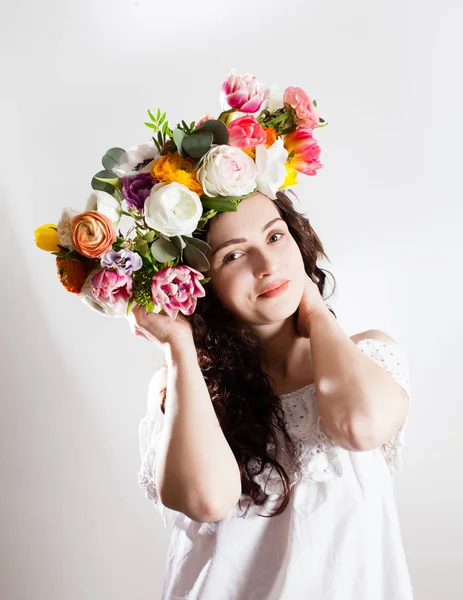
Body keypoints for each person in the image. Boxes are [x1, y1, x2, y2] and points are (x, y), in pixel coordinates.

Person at [129, 189, 414, 599]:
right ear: (198, 284)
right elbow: (207, 500)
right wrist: (178, 348)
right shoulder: (181, 385)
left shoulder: (369, 355)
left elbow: (359, 426)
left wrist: (315, 315)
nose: (267, 265)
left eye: (275, 236)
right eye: (233, 255)